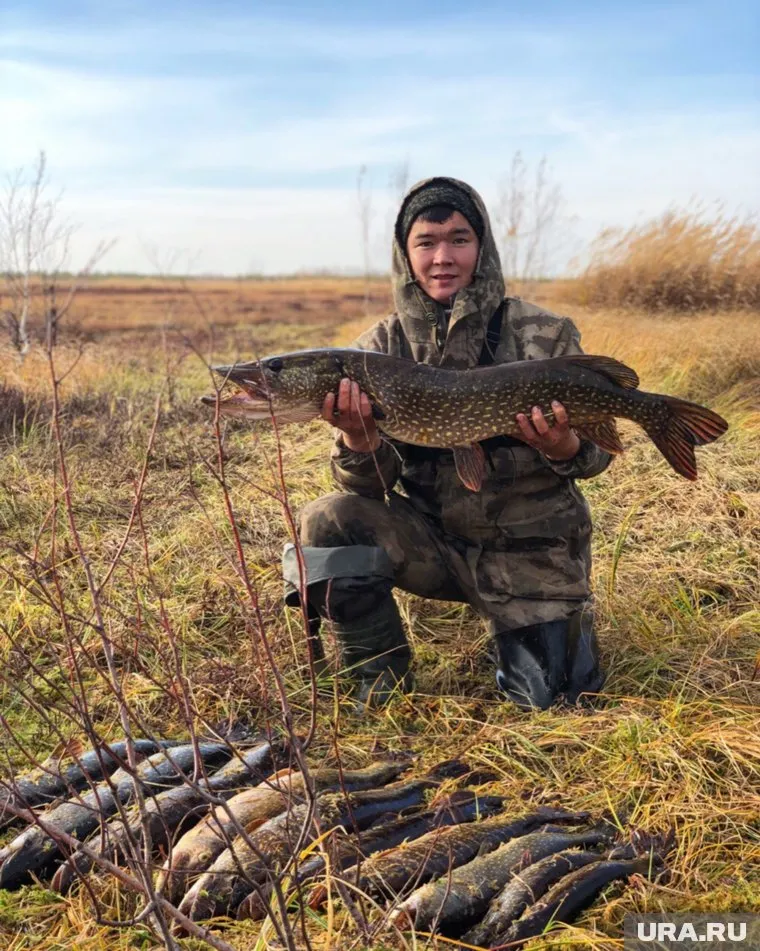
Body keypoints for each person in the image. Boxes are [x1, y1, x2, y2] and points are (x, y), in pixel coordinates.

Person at [282, 176, 609, 713]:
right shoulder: (377, 349)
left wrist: (562, 445)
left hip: (535, 552)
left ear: (482, 246)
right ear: (405, 254)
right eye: (426, 243)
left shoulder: (543, 334)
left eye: (459, 239)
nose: (442, 257)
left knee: (555, 703)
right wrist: (358, 436)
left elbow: (595, 457)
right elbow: (368, 488)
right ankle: (379, 687)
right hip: (433, 544)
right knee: (330, 519)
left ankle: (539, 628)